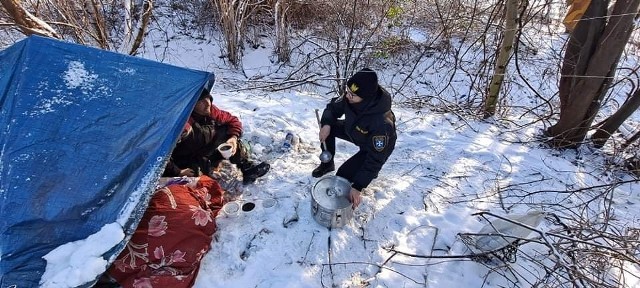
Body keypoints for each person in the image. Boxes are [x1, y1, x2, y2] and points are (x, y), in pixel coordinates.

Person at [312, 68, 397, 208]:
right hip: (355, 130)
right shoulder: (350, 97)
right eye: (348, 92)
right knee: (330, 126)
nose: (347, 96)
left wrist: (358, 186)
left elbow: (376, 159)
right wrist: (326, 124)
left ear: (366, 98)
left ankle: (362, 174)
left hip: (373, 148)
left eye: (352, 95)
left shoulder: (381, 123)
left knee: (342, 177)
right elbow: (332, 108)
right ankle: (327, 164)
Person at [162, 88, 270, 184]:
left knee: (226, 131)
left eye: (208, 98)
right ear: (192, 106)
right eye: (201, 101)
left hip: (207, 149)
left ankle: (245, 168)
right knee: (195, 181)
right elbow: (162, 153)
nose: (207, 103)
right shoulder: (184, 125)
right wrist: (178, 171)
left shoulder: (211, 111)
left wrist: (233, 138)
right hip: (189, 159)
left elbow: (233, 120)